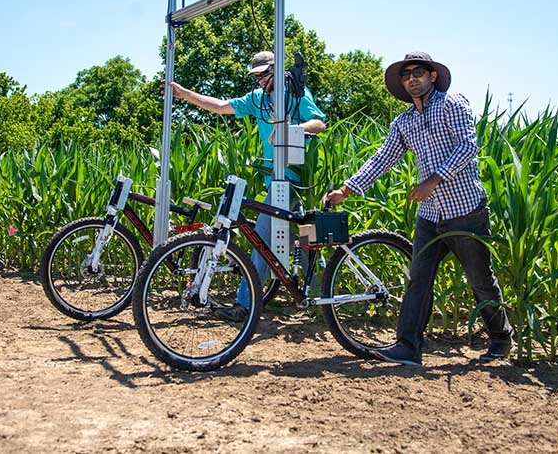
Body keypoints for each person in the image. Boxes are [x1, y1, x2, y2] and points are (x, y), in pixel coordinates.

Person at [323, 51, 513, 365]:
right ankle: (408, 347)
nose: (412, 78)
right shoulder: (404, 122)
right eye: (406, 74)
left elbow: (467, 146)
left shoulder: (452, 105)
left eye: (418, 72)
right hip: (430, 216)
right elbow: (382, 159)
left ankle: (501, 338)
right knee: (418, 280)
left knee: (479, 279)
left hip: (465, 210)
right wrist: (346, 189)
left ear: (432, 76)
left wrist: (433, 181)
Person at [168, 50, 326, 320]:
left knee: (263, 240)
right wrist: (185, 94)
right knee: (301, 239)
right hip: (273, 181)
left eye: (265, 74)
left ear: (277, 69)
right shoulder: (257, 100)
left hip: (294, 180)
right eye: (257, 76)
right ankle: (316, 297)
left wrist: (293, 130)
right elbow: (220, 106)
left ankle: (246, 305)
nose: (261, 80)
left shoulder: (296, 93)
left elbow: (319, 123)